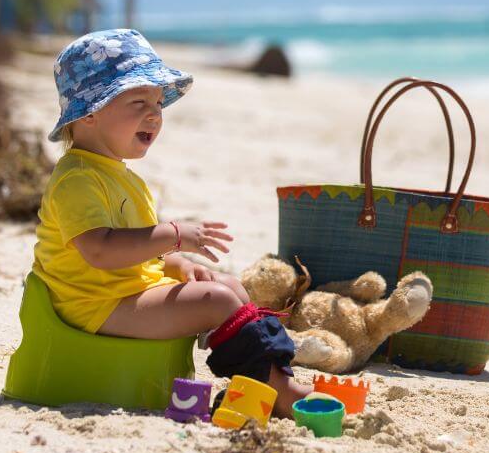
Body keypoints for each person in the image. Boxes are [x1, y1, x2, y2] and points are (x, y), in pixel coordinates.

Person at [31, 29, 310, 417]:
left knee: (226, 285)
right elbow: (100, 251)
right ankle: (278, 389)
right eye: (138, 101)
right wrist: (174, 235)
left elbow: (139, 257)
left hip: (121, 293)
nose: (154, 115)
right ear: (91, 112)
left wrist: (180, 265)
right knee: (217, 300)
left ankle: (264, 381)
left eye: (159, 103)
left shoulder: (121, 176)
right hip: (94, 305)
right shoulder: (78, 178)